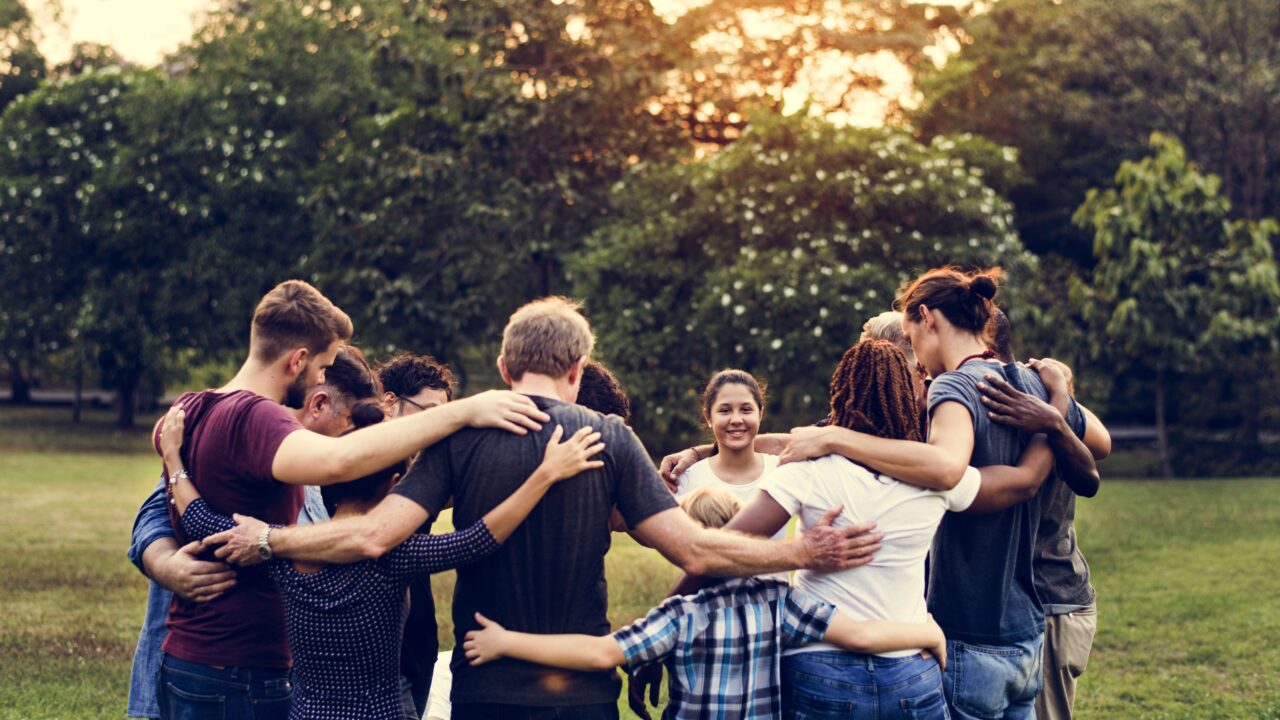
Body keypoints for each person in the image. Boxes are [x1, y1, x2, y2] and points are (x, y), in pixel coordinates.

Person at [204, 296, 882, 720]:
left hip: (483, 690)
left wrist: (272, 541)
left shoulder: (460, 437)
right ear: (579, 367)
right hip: (580, 696)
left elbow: (375, 538)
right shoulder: (611, 437)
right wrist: (799, 552)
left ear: (504, 368)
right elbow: (696, 550)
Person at [150, 279, 550, 720]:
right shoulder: (259, 420)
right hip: (242, 673)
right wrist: (467, 414)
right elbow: (344, 461)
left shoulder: (194, 409)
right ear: (298, 359)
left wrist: (174, 466)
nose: (325, 375)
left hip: (188, 659)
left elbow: (208, 520)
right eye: (323, 365)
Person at [774, 267, 1095, 719]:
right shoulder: (1034, 385)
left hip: (965, 629)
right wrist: (1058, 399)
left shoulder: (952, 384)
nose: (918, 366)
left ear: (927, 317)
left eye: (911, 336)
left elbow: (946, 467)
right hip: (1025, 630)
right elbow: (1044, 473)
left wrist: (834, 440)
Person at [158, 403, 604, 720]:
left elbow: (199, 519)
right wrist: (545, 475)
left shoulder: (277, 549)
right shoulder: (393, 557)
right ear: (393, 485)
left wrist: (174, 457)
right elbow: (478, 539)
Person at [458, 480, 945, 720]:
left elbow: (600, 652)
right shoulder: (779, 603)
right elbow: (860, 634)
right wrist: (928, 632)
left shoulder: (681, 615)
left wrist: (507, 642)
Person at [125, 344, 383, 720]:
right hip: (221, 668)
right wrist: (167, 566)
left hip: (270, 673)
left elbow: (208, 521)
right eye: (349, 426)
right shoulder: (241, 433)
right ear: (319, 402)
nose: (350, 442)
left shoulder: (310, 469)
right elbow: (155, 513)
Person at [988, 310, 1110, 720]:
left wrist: (1058, 401)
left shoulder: (1033, 394)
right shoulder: (1040, 391)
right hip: (1022, 605)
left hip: (1052, 600)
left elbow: (1099, 451)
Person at [367, 352, 459, 719]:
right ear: (390, 403)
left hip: (421, 646)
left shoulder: (426, 470)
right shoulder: (358, 471)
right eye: (431, 411)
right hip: (384, 658)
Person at [673, 370, 785, 540]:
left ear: (760, 414)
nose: (736, 419)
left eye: (746, 409)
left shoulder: (781, 471)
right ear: (708, 416)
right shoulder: (687, 478)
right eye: (725, 410)